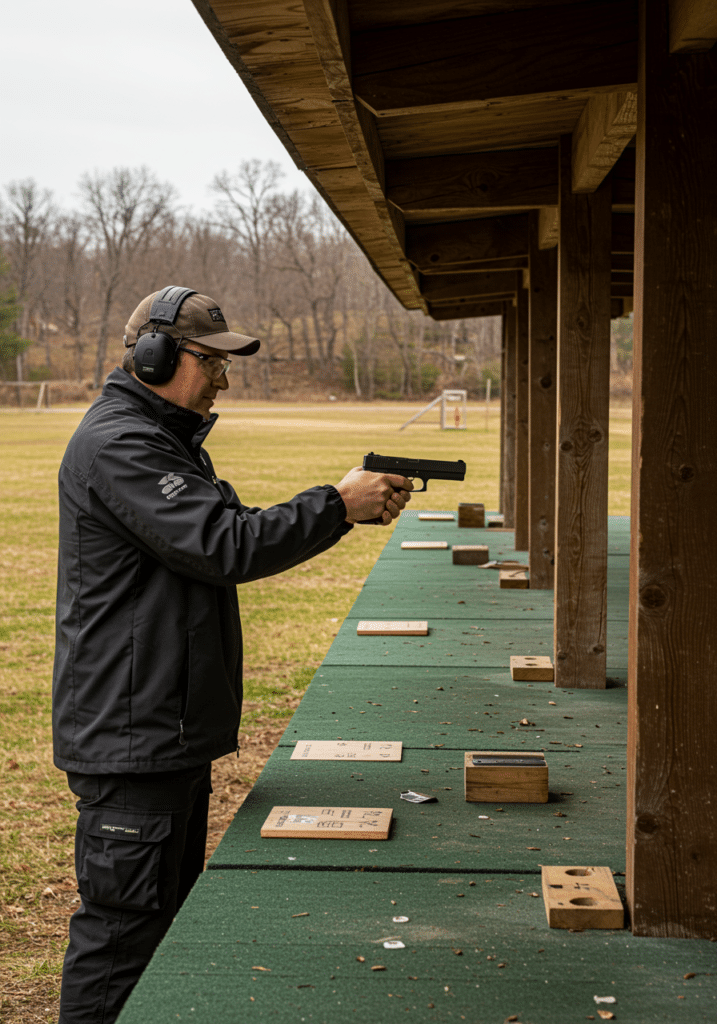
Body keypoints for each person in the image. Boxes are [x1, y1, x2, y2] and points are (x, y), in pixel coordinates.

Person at [52, 286, 412, 1023]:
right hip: (132, 736)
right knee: (122, 936)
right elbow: (225, 546)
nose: (222, 376)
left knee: (161, 926)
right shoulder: (120, 443)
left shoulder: (162, 443)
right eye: (209, 359)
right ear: (153, 355)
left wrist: (333, 510)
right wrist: (337, 503)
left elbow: (224, 528)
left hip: (158, 731)